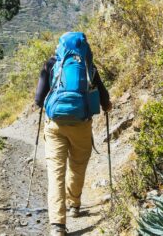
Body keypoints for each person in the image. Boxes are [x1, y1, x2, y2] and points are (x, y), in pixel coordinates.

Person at [34, 32, 111, 236]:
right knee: (77, 166)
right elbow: (105, 100)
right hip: (81, 125)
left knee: (55, 173)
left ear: (60, 46)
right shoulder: (88, 67)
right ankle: (74, 205)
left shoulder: (51, 64)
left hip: (55, 126)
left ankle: (57, 225)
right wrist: (106, 106)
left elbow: (38, 100)